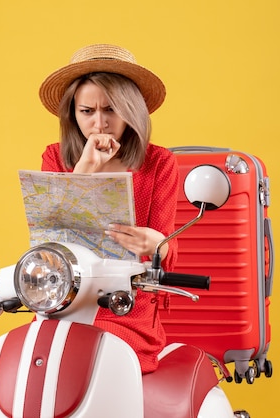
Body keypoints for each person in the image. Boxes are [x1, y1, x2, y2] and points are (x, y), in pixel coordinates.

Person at [38, 43, 179, 374]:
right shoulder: (55, 158)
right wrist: (85, 168)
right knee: (39, 356)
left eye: (111, 109)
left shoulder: (159, 162)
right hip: (65, 299)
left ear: (131, 111)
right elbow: (49, 238)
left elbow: (168, 245)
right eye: (87, 111)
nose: (99, 124)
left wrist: (157, 243)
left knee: (100, 361)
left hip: (126, 306)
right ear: (73, 114)